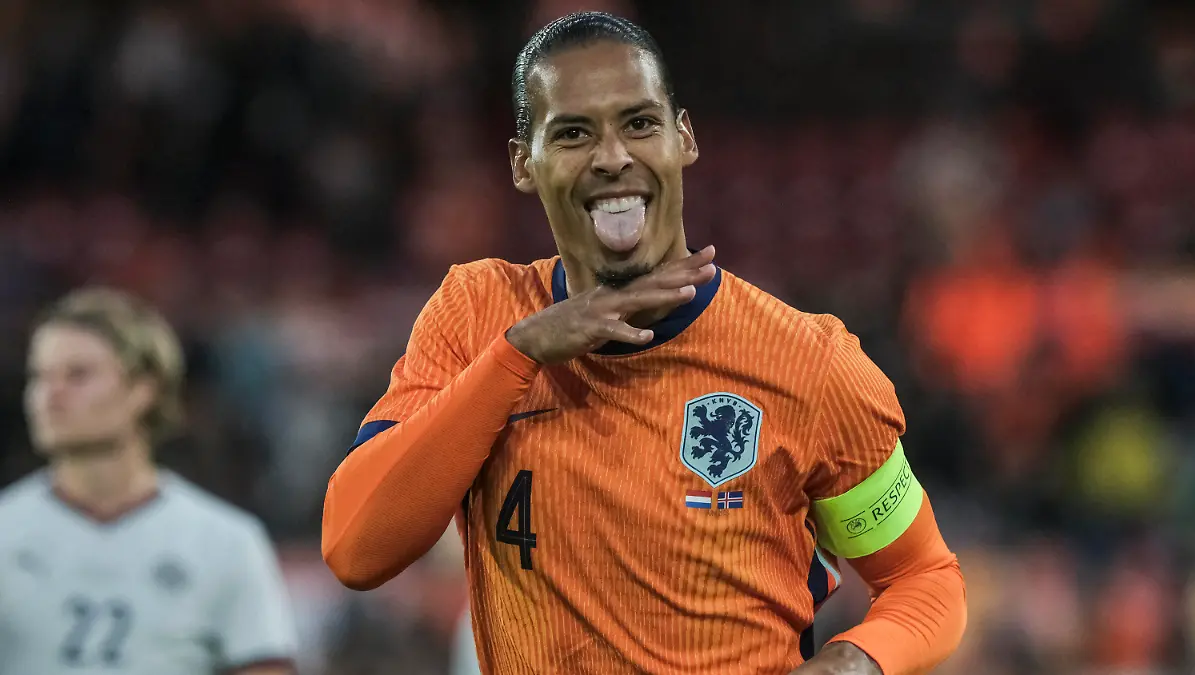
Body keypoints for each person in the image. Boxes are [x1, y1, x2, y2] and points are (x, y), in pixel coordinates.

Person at [322, 11, 967, 674]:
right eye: (572, 133)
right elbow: (355, 547)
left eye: (639, 123)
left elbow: (925, 580)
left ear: (682, 136)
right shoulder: (476, 314)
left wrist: (855, 661)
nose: (612, 157)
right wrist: (517, 354)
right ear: (523, 162)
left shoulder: (807, 362)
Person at [0, 288, 298, 675]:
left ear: (144, 389)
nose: (49, 395)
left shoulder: (226, 543)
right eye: (39, 376)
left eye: (78, 375)